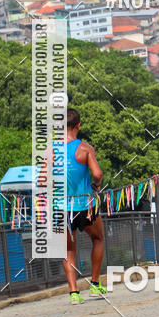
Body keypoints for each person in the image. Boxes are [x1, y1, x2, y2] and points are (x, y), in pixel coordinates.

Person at [57, 108, 105, 303]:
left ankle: (74, 293)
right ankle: (94, 284)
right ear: (78, 125)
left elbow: (42, 179)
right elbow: (98, 173)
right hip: (84, 205)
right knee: (98, 238)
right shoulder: (85, 149)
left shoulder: (51, 150)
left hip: (61, 206)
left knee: (68, 251)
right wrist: (96, 185)